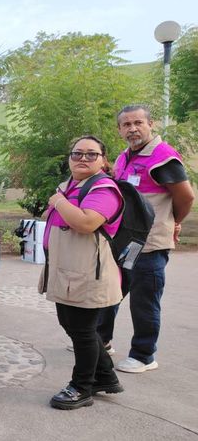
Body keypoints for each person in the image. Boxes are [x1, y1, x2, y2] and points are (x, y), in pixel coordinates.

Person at [97, 104, 194, 374]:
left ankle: (143, 355)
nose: (133, 128)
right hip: (128, 242)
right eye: (126, 125)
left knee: (144, 299)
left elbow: (185, 197)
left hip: (151, 244)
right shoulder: (125, 157)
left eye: (138, 122)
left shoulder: (162, 157)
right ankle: (101, 340)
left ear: (151, 124)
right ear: (119, 130)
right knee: (113, 290)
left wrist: (174, 221)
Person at [41, 135, 125, 410]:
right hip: (67, 268)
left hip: (88, 272)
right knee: (73, 325)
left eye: (91, 154)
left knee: (83, 330)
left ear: (103, 159)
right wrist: (58, 202)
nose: (83, 159)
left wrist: (58, 201)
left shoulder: (104, 189)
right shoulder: (71, 186)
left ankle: (82, 387)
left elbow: (88, 223)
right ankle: (105, 376)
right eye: (77, 154)